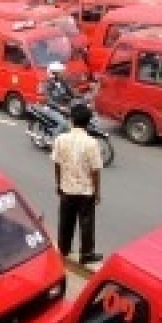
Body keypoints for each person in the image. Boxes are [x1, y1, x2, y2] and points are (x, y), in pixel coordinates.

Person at [52, 102, 103, 265]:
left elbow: (57, 164)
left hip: (66, 189)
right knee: (86, 224)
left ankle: (64, 249)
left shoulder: (60, 139)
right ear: (88, 122)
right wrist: (97, 192)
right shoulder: (92, 143)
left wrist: (59, 184)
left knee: (65, 221)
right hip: (85, 191)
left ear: (71, 120)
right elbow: (95, 170)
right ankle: (86, 254)